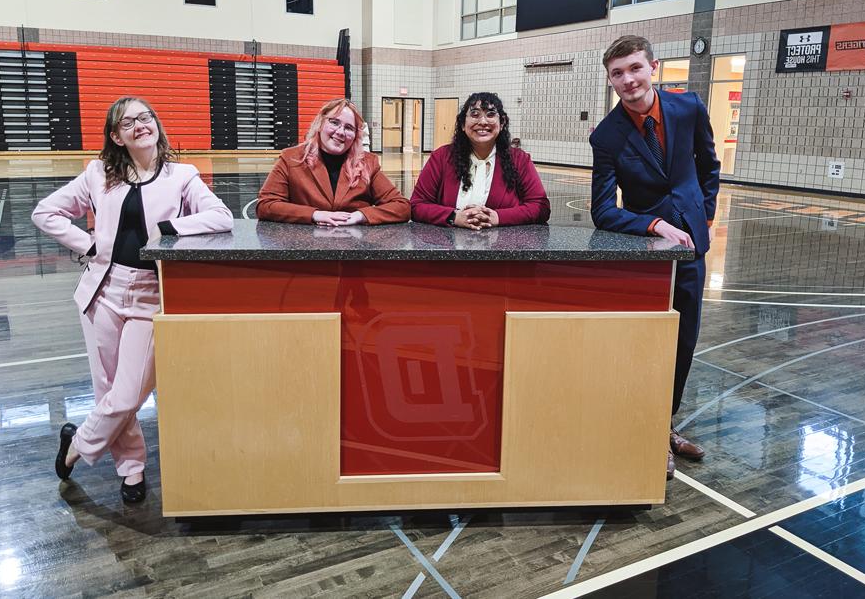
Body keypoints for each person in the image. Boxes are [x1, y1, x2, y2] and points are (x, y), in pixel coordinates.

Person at [32, 97, 234, 503]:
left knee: (127, 394)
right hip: (101, 293)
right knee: (108, 391)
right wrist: (86, 244)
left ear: (155, 124)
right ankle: (131, 469)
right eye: (128, 122)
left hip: (150, 295)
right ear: (116, 136)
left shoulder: (182, 175)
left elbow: (221, 216)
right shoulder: (97, 174)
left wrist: (169, 226)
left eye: (145, 117)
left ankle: (75, 446)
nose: (140, 125)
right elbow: (45, 212)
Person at [589, 35, 720, 480]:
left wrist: (703, 214)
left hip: (692, 250)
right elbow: (603, 210)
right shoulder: (606, 136)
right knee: (647, 345)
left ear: (654, 67)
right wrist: (654, 225)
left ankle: (663, 427)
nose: (628, 80)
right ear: (610, 80)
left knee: (684, 343)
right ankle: (642, 431)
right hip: (647, 257)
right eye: (617, 73)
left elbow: (709, 166)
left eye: (634, 68)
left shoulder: (689, 108)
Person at [256, 99, 409, 225]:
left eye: (349, 128)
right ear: (321, 123)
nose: (341, 132)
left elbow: (402, 207)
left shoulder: (368, 163)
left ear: (356, 136)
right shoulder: (291, 158)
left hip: (353, 249)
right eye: (334, 122)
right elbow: (265, 205)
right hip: (305, 249)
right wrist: (314, 215)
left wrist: (359, 216)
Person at [410, 93, 550, 229]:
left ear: (502, 123)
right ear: (463, 125)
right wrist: (454, 217)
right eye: (475, 115)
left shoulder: (519, 160)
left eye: (490, 115)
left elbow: (540, 207)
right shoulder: (441, 157)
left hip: (502, 249)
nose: (483, 122)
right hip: (449, 249)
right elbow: (417, 205)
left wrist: (498, 217)